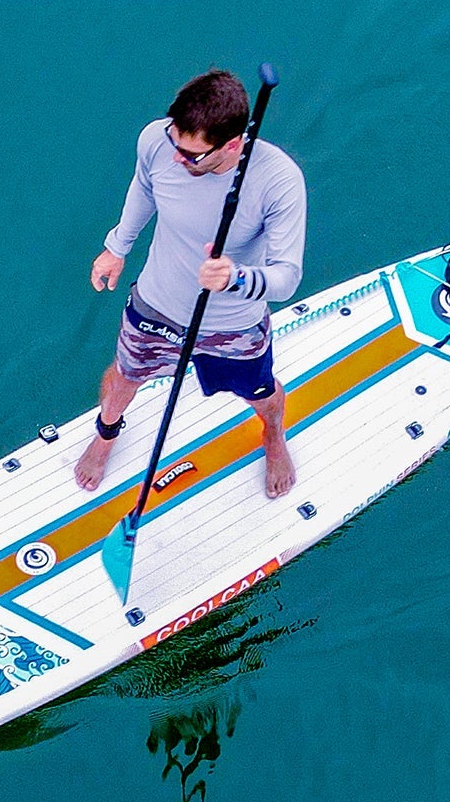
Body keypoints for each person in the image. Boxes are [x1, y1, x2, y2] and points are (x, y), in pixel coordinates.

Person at [75, 68, 307, 498]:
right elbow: (145, 187)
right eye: (174, 144)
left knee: (260, 393)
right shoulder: (157, 141)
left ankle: (273, 436)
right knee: (124, 376)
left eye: (192, 155)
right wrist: (117, 247)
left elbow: (287, 277)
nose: (178, 160)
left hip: (233, 324)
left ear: (233, 145)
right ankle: (106, 434)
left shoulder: (279, 181)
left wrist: (236, 277)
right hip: (155, 304)